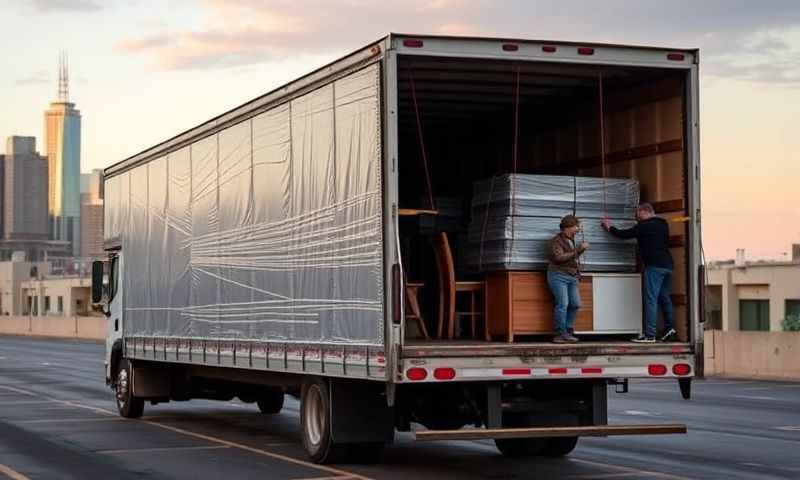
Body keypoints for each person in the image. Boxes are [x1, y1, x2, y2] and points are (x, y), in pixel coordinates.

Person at [601, 203, 677, 343]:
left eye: (637, 214)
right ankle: (669, 328)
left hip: (654, 266)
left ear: (644, 211)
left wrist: (609, 226)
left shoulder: (645, 225)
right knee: (665, 297)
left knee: (651, 299)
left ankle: (650, 335)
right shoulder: (663, 224)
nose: (636, 217)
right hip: (667, 265)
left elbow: (624, 234)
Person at [547, 214, 589, 344]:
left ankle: (568, 330)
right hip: (558, 275)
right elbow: (558, 258)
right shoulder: (556, 241)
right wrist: (578, 250)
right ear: (567, 228)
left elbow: (571, 256)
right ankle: (560, 333)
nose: (577, 229)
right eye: (575, 226)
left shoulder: (571, 239)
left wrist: (580, 250)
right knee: (563, 304)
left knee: (575, 304)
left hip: (571, 276)